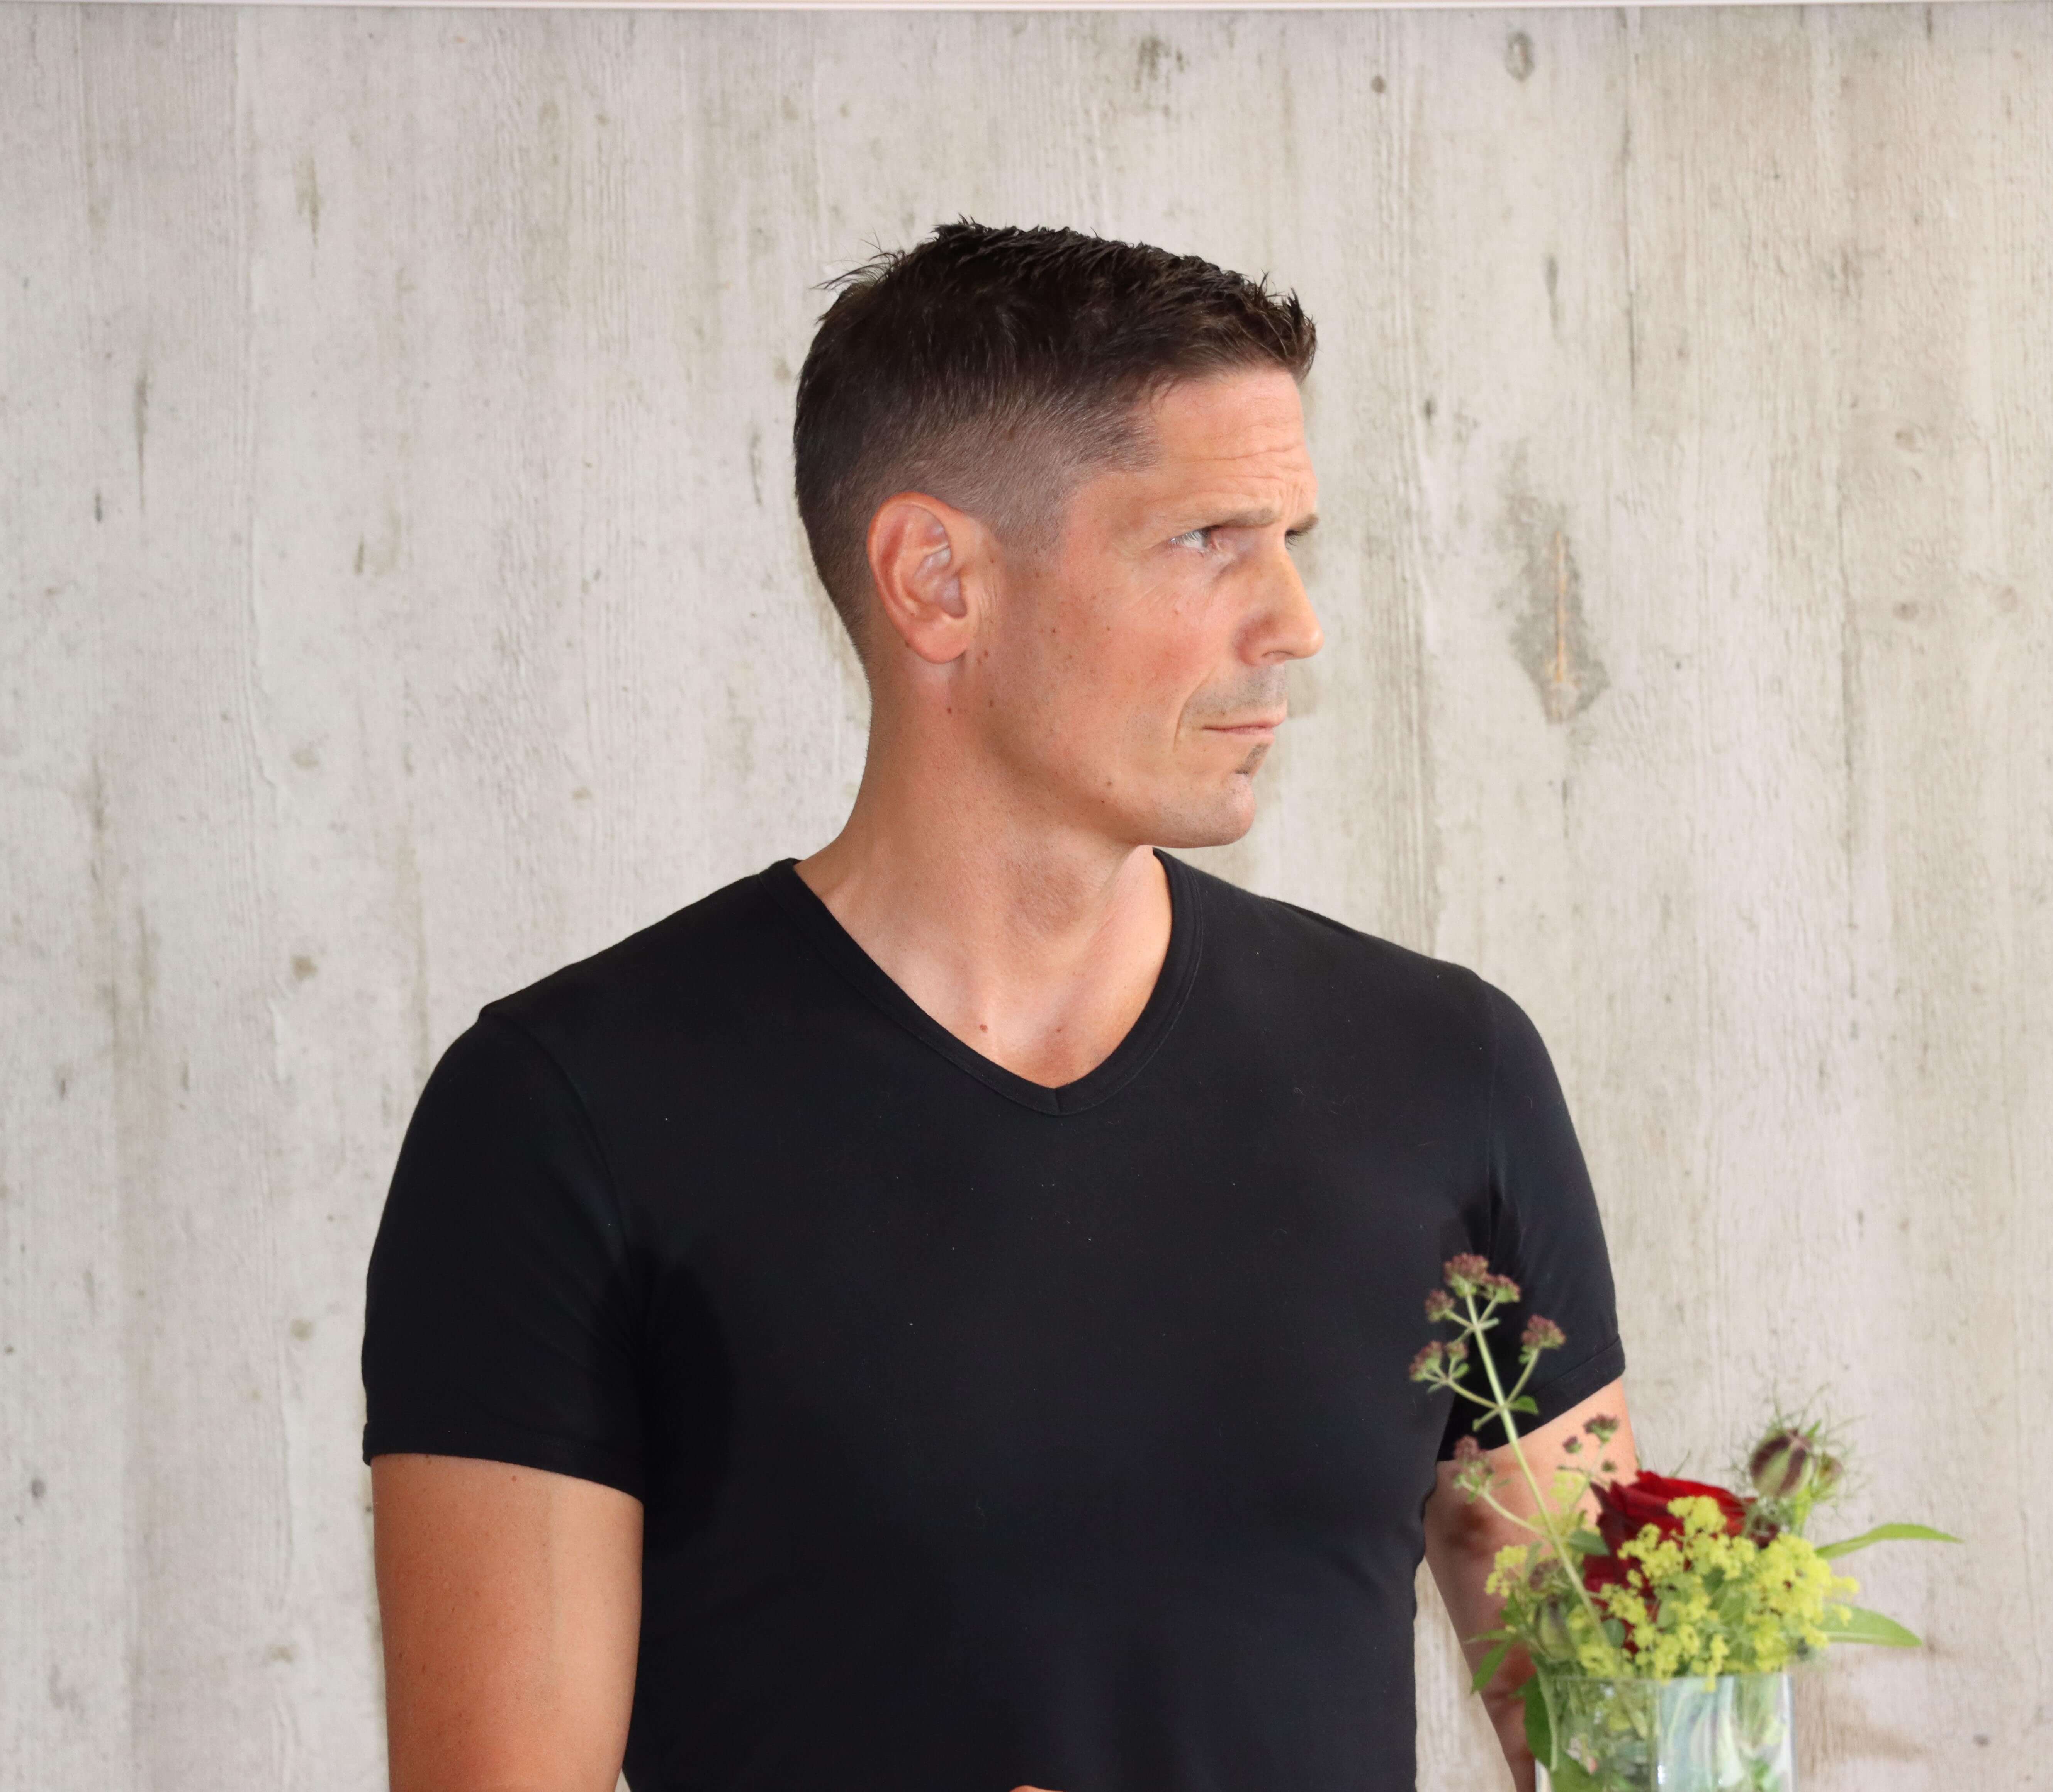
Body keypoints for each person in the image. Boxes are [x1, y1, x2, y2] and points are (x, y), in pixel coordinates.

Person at [360, 221, 1638, 1792]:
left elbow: (1628, 1749)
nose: (1296, 621)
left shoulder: (1447, 1068)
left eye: (1291, 536)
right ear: (938, 579)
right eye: (1208, 540)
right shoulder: (564, 1115)